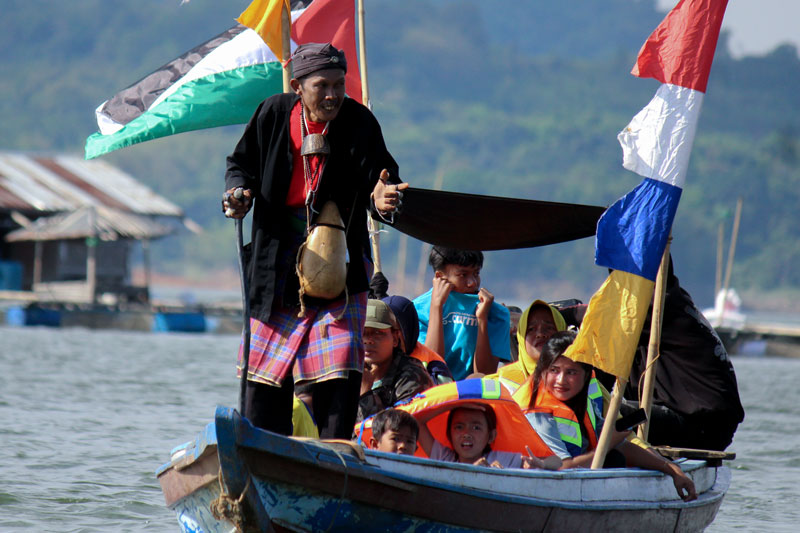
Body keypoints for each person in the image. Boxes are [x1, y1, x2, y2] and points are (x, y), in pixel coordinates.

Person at [222, 42, 407, 439]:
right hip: (274, 268)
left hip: (338, 271)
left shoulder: (359, 122)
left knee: (337, 380)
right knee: (263, 385)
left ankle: (334, 461)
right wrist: (238, 194)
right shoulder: (273, 113)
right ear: (297, 86)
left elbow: (382, 175)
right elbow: (240, 165)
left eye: (339, 85)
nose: (333, 95)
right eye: (322, 86)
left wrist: (381, 196)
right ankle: (264, 455)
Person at [516, 330, 697, 501]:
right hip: (536, 487)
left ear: (586, 375)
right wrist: (610, 441)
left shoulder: (581, 400)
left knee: (615, 456)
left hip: (572, 480)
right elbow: (563, 467)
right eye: (554, 370)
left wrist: (672, 469)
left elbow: (621, 444)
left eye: (571, 372)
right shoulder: (536, 411)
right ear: (542, 371)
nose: (561, 380)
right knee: (612, 458)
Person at [413, 247, 511, 380]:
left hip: (472, 392)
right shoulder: (418, 310)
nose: (472, 283)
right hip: (434, 391)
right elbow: (432, 366)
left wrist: (482, 320)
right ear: (439, 277)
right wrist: (436, 306)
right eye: (463, 275)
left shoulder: (496, 313)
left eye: (476, 273)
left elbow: (484, 374)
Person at [357, 299, 434, 425]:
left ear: (395, 338)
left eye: (377, 333)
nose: (368, 340)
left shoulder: (413, 377)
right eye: (362, 333)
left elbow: (397, 432)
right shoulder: (347, 370)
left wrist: (365, 394)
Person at [416, 404, 561, 469]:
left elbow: (557, 462)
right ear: (449, 434)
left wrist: (541, 464)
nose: (467, 433)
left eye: (476, 427)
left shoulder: (502, 459)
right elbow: (417, 420)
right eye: (459, 427)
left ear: (491, 436)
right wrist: (453, 404)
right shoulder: (445, 458)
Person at [490, 299, 567, 394]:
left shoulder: (577, 378)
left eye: (549, 328)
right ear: (521, 338)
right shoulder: (500, 381)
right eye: (531, 329)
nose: (540, 334)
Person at [382, 294, 454, 385]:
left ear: (408, 330)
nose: (391, 337)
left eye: (394, 330)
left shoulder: (434, 367)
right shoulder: (368, 361)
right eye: (379, 332)